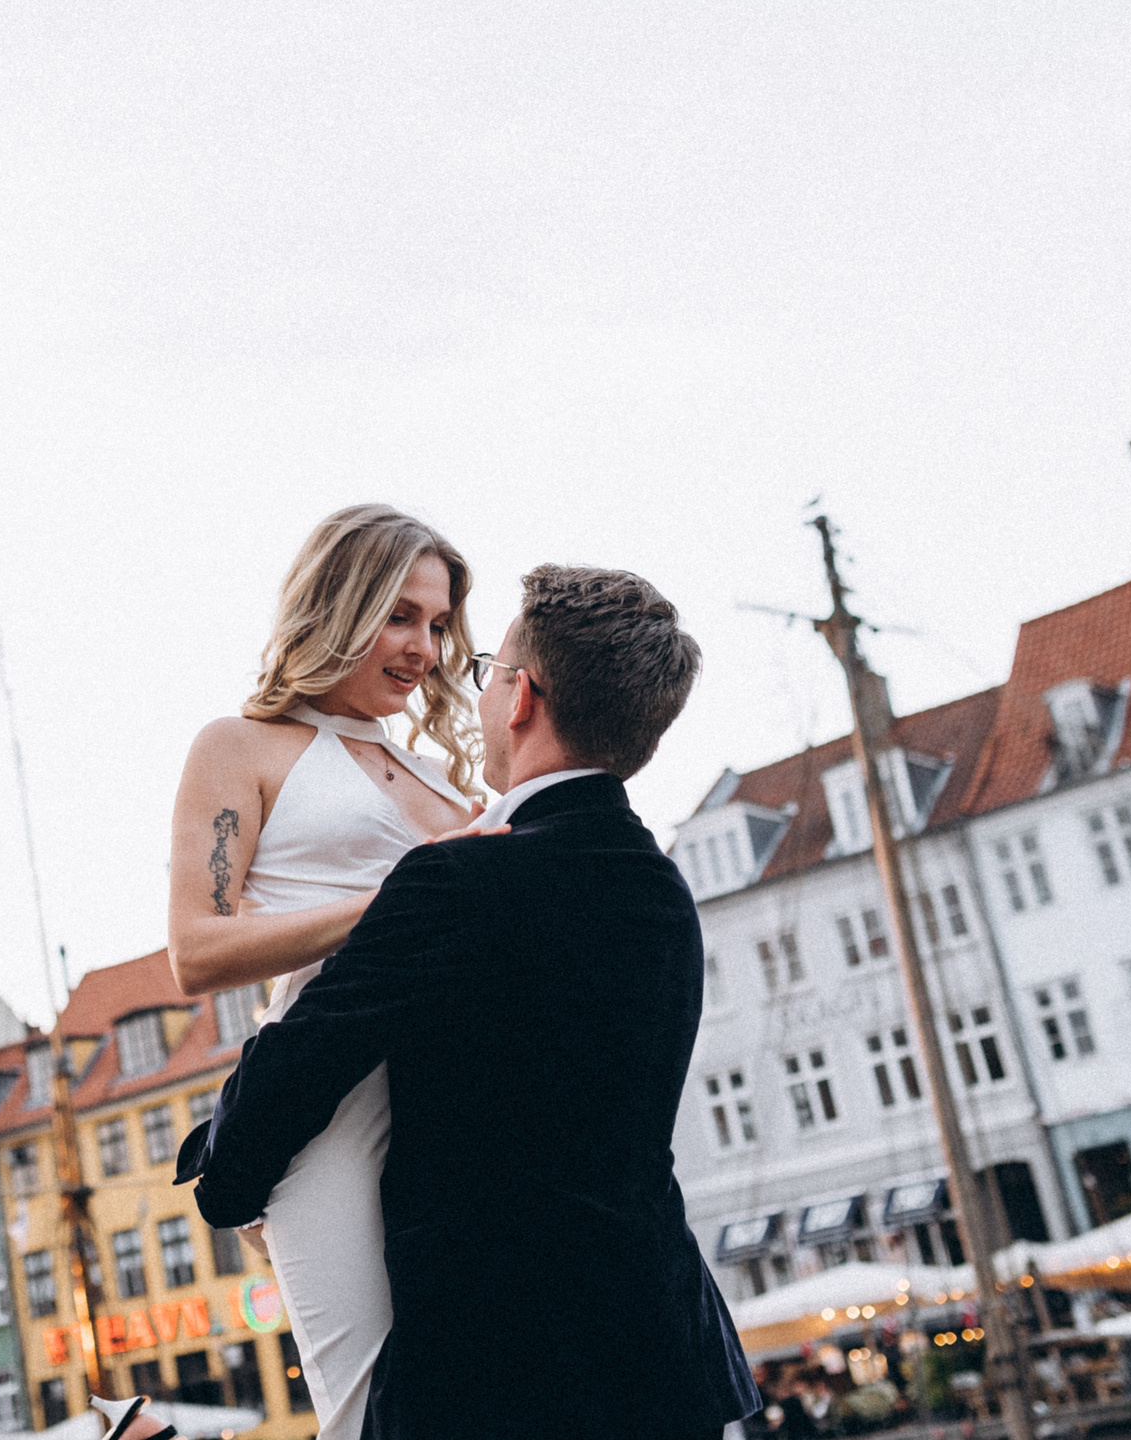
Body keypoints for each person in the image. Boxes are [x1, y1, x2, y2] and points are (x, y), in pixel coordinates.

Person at [178, 564, 762, 1439]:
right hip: (665, 1353)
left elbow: (301, 1062)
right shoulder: (662, 890)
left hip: (498, 1364)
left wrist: (225, 1180)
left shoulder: (457, 879)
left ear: (521, 696)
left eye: (487, 670)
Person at [164, 504, 485, 1440]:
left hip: (463, 1092)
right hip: (330, 1098)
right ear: (337, 605)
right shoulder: (241, 747)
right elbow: (196, 950)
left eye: (438, 624)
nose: (424, 647)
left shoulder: (441, 780)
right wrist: (400, 901)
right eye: (400, 616)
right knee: (366, 1404)